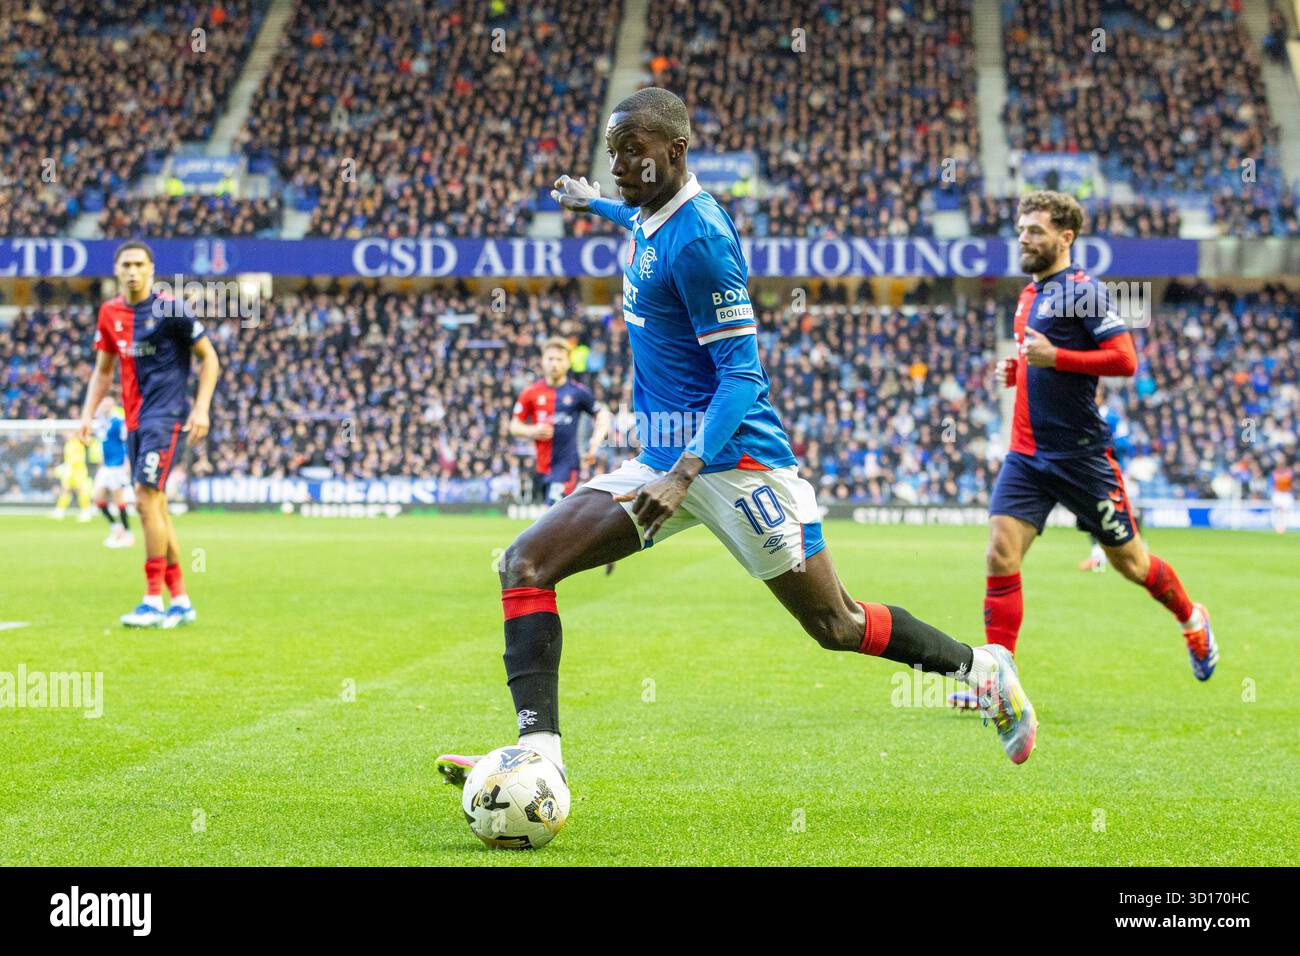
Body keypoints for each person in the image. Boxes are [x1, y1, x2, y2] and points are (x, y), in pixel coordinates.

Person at [436, 88, 1037, 793]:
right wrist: (590, 202)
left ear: (676, 150)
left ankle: (983, 671)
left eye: (634, 150)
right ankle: (538, 756)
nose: (621, 163)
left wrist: (686, 473)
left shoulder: (701, 242)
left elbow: (743, 376)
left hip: (734, 464)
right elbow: (632, 216)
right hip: (663, 459)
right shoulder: (649, 213)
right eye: (613, 152)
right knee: (524, 565)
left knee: (835, 624)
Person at [980, 191, 1216, 681]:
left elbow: (1125, 360)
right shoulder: (1029, 295)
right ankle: (997, 680)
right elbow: (1038, 359)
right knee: (1000, 555)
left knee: (1131, 563)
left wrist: (1056, 359)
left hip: (1081, 457)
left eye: (1035, 231)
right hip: (1026, 455)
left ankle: (1192, 619)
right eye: (1021, 229)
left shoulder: (1084, 290)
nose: (1024, 238)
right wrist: (1018, 370)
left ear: (1065, 238)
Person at [77, 241, 221, 628]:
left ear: (152, 269)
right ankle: (181, 601)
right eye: (126, 265)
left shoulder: (171, 308)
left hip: (166, 416)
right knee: (154, 505)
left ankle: (152, 600)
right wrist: (87, 414)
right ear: (116, 269)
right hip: (134, 421)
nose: (133, 271)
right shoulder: (110, 313)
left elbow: (211, 357)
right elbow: (103, 370)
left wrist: (202, 407)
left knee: (144, 498)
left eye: (140, 264)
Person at [91, 396, 134, 547]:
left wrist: (127, 462)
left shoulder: (117, 422)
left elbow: (126, 441)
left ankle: (128, 534)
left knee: (118, 500)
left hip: (117, 465)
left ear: (112, 405)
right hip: (106, 466)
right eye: (102, 403)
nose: (104, 406)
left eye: (107, 403)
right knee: (97, 498)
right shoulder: (102, 423)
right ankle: (116, 527)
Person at [52, 429, 94, 522]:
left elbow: (79, 458)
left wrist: (65, 466)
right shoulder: (68, 444)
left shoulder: (79, 443)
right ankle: (60, 510)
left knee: (80, 491)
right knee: (65, 490)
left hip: (79, 471)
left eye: (69, 433)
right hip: (70, 471)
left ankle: (86, 511)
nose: (66, 435)